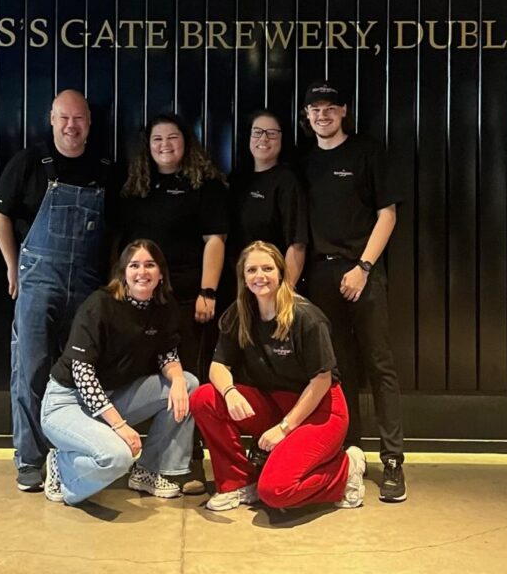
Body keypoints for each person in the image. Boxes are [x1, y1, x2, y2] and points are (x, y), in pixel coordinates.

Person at [0, 89, 115, 492]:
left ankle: (69, 457)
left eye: (78, 118)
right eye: (64, 118)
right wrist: (14, 265)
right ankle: (29, 461)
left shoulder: (105, 167)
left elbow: (116, 231)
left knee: (80, 373)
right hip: (38, 278)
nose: (71, 126)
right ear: (51, 119)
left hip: (88, 282)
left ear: (89, 122)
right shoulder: (30, 161)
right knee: (31, 371)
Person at [189, 241, 365, 511]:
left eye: (267, 268)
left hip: (319, 410)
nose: (260, 276)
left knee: (276, 491)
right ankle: (238, 483)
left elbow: (321, 381)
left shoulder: (306, 317)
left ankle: (346, 470)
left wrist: (284, 429)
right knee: (204, 398)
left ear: (281, 273)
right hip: (273, 403)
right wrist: (230, 392)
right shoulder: (239, 314)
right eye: (252, 270)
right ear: (243, 278)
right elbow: (218, 367)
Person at [300, 80, 407, 503]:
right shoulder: (304, 161)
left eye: (330, 107)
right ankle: (350, 457)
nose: (322, 115)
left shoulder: (368, 152)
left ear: (343, 111)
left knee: (380, 365)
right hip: (320, 277)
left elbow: (388, 214)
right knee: (337, 371)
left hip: (363, 273)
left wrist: (364, 267)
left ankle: (394, 461)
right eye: (315, 109)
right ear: (306, 116)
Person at [40, 240, 199, 505]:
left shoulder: (163, 306)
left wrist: (179, 378)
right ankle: (62, 466)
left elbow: (166, 353)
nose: (142, 272)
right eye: (134, 265)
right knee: (118, 457)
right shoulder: (99, 305)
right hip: (67, 403)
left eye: (150, 265)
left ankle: (149, 470)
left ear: (161, 274)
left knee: (190, 385)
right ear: (123, 272)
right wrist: (120, 426)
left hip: (112, 397)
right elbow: (83, 376)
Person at [120, 112, 229, 493]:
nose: (165, 146)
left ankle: (191, 464)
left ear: (187, 143)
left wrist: (208, 291)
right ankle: (147, 461)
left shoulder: (206, 185)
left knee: (190, 379)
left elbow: (214, 240)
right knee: (151, 381)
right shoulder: (136, 187)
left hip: (188, 298)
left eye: (173, 138)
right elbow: (123, 248)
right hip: (143, 299)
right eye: (157, 140)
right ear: (147, 147)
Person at [230, 109, 307, 288]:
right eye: (257, 132)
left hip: (271, 285)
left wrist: (284, 293)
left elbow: (297, 244)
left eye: (271, 134)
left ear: (282, 139)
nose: (263, 139)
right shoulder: (237, 179)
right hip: (239, 285)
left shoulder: (287, 180)